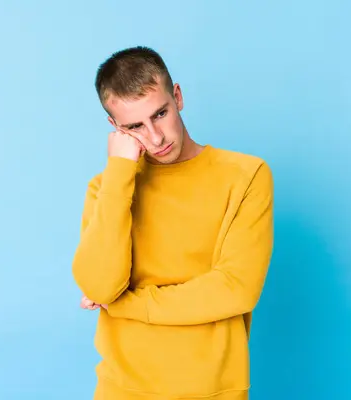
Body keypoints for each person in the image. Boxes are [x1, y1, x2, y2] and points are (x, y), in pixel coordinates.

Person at [71, 45, 274, 400]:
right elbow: (101, 287)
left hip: (212, 389)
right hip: (122, 388)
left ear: (177, 96)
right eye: (134, 126)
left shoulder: (246, 176)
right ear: (114, 128)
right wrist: (119, 172)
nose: (155, 137)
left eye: (160, 113)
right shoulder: (107, 188)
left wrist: (126, 304)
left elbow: (235, 289)